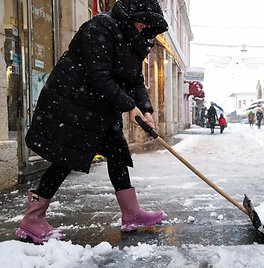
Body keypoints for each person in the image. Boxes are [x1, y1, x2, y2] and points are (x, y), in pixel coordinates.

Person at [15, 0, 168, 244]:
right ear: (133, 15)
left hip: (100, 110)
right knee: (64, 160)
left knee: (117, 153)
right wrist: (129, 106)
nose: (144, 27)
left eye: (148, 24)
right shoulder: (100, 27)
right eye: (143, 21)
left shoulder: (133, 42)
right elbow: (98, 75)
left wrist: (146, 110)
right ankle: (32, 220)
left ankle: (131, 213)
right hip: (74, 106)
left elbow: (135, 81)